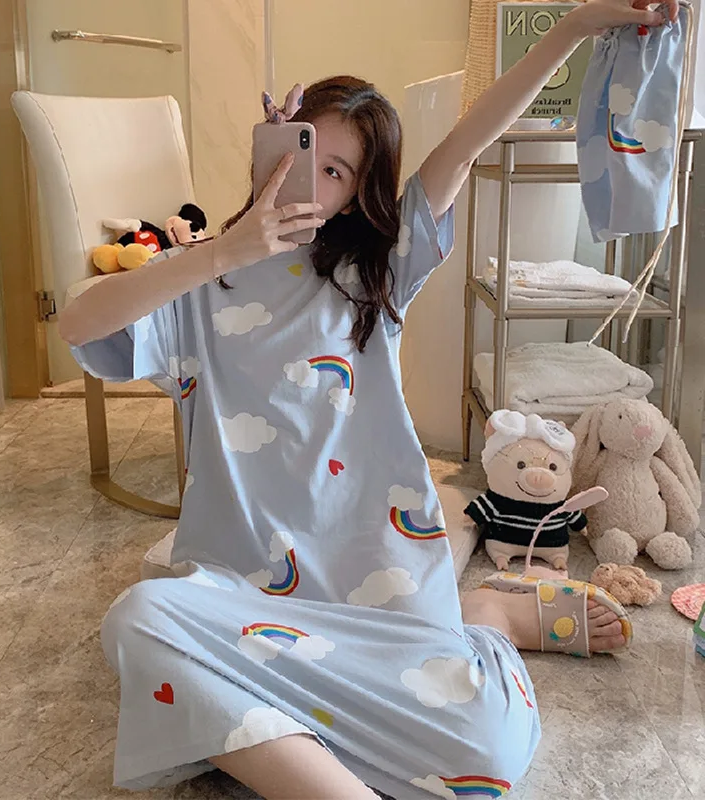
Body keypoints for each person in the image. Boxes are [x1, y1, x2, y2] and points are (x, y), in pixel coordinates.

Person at [60, 1, 677, 797]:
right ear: (268, 148)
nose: (305, 180)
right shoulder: (198, 287)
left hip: (377, 588)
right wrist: (222, 251)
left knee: (484, 755)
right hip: (245, 593)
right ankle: (435, 657)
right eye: (300, 152)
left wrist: (573, 28)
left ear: (356, 196)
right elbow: (79, 323)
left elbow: (470, 138)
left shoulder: (377, 270)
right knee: (139, 621)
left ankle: (485, 623)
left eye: (336, 171)